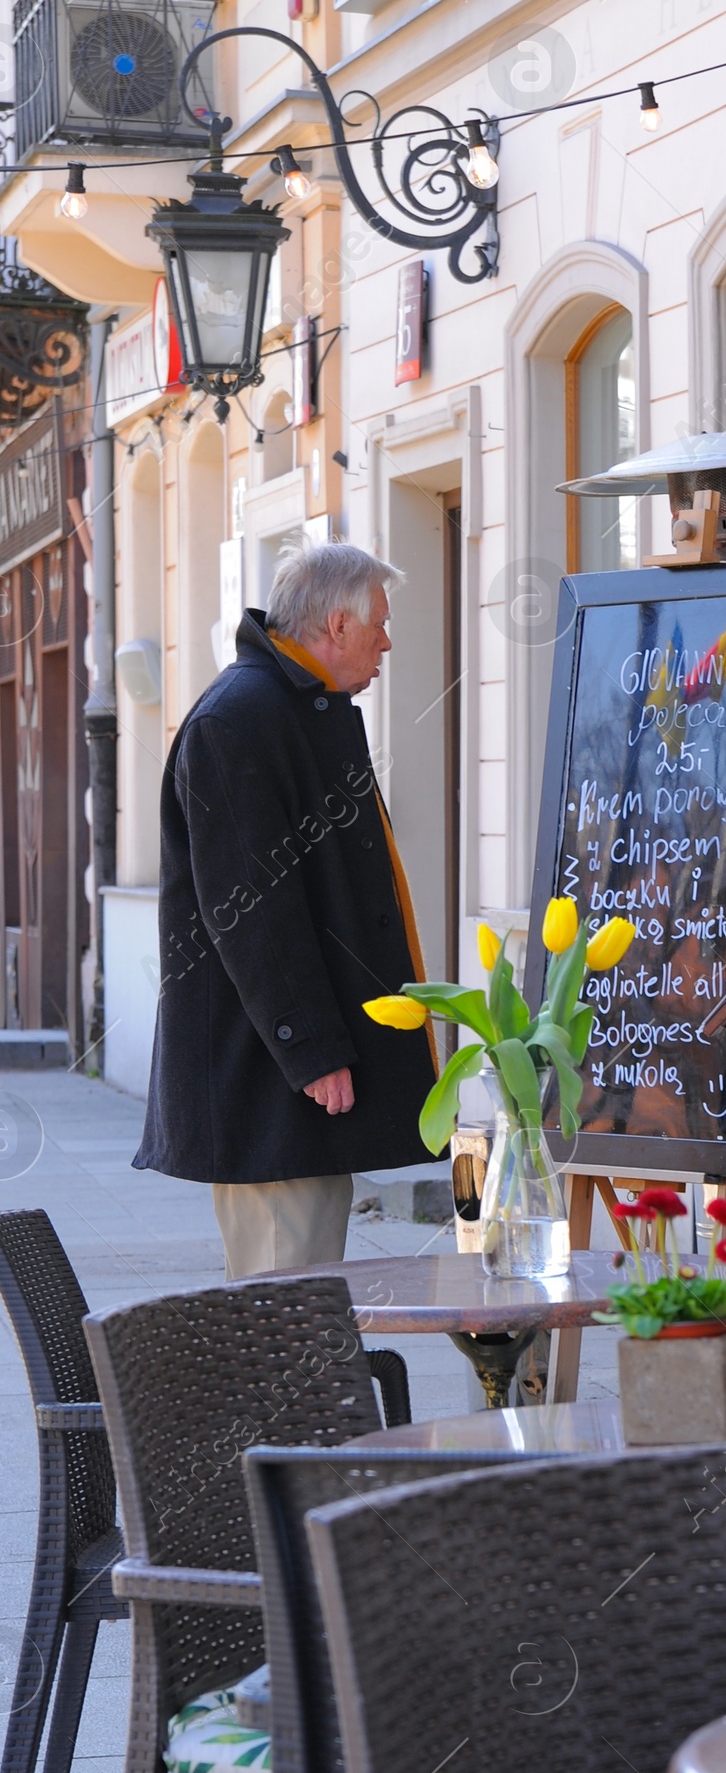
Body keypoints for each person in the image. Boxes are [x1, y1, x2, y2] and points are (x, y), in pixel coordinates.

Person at [135, 542, 437, 1279]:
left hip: (293, 1080)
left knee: (304, 1284)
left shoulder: (290, 708)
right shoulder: (239, 719)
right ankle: (280, 1404)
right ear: (337, 624)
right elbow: (251, 908)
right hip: (272, 1080)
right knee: (284, 1297)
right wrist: (312, 1048)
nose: (388, 641)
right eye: (379, 625)